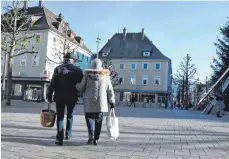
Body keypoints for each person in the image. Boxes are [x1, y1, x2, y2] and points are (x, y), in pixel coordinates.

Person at [76, 58, 115, 146]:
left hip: (89, 101)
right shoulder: (105, 76)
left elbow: (81, 88)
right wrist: (112, 101)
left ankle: (91, 136)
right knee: (98, 119)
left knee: (89, 118)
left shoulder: (87, 75)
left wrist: (76, 85)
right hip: (101, 102)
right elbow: (110, 90)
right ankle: (96, 139)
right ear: (100, 65)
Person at [46, 53, 83, 146]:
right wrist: (80, 94)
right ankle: (68, 133)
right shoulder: (78, 70)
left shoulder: (58, 69)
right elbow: (81, 85)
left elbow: (52, 84)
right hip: (72, 96)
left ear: (64, 59)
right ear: (72, 61)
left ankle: (59, 138)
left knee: (60, 117)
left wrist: (49, 95)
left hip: (59, 96)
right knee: (70, 114)